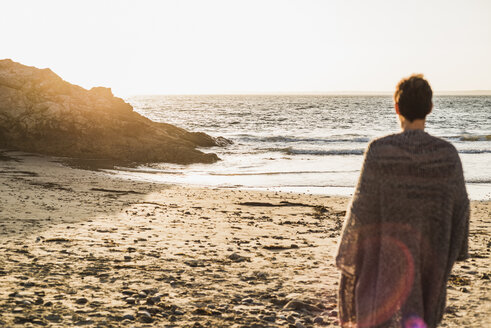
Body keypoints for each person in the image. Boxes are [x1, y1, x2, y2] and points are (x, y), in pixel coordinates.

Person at [335, 74, 470, 328]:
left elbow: (360, 214)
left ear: (397, 107)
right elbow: (461, 212)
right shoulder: (447, 155)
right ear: (430, 108)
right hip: (429, 268)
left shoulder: (380, 151)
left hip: (383, 270)